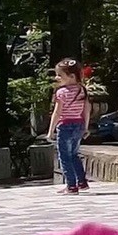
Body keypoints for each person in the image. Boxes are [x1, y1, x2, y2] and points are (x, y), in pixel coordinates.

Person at [47, 58, 90, 195]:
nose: (57, 77)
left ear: (72, 76)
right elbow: (86, 109)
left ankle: (71, 186)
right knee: (74, 154)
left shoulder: (61, 92)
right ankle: (82, 182)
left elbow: (57, 112)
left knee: (64, 156)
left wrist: (50, 131)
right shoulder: (82, 90)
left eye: (60, 75)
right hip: (79, 124)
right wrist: (86, 127)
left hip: (65, 126)